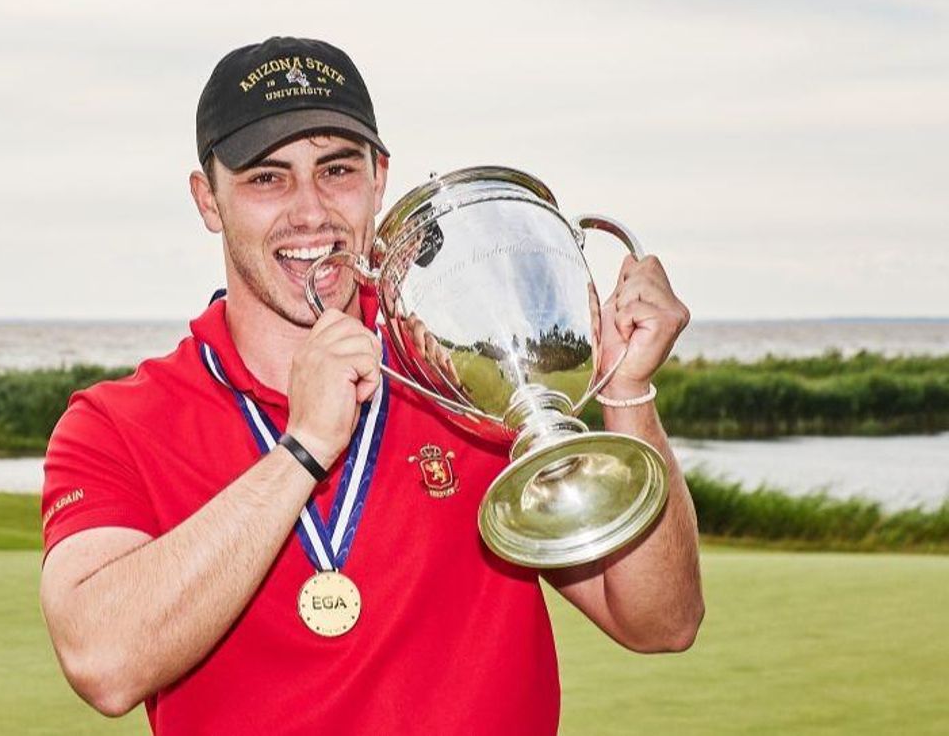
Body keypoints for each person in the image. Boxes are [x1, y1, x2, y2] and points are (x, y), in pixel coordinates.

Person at [38, 36, 703, 734]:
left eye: (337, 170)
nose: (310, 212)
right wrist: (302, 449)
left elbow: (662, 621)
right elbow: (103, 662)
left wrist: (627, 391)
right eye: (267, 178)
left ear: (379, 180)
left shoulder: (460, 381)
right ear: (209, 200)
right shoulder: (116, 423)